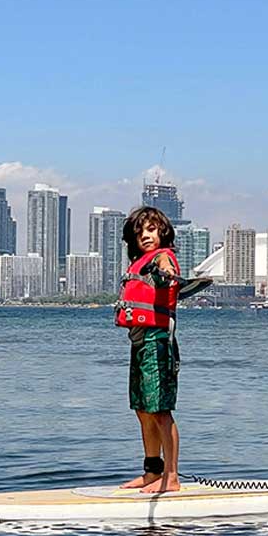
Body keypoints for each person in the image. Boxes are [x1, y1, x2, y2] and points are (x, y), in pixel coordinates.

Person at [116, 206, 182, 493]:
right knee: (142, 410)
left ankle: (172, 477)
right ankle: (152, 471)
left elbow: (166, 269)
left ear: (163, 232)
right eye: (140, 231)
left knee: (159, 410)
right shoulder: (139, 262)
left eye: (151, 229)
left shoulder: (163, 258)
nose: (145, 235)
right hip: (139, 341)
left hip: (157, 342)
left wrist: (167, 272)